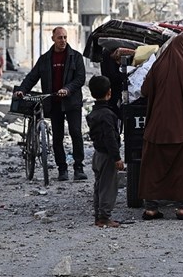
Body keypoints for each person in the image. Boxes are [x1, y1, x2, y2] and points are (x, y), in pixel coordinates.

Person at [138, 34, 183, 220]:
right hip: (182, 127)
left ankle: (151, 208)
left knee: (153, 166)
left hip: (157, 127)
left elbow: (144, 91)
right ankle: (181, 208)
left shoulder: (158, 65)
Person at [14, 27, 87, 181]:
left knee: (75, 133)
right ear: (53, 38)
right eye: (60, 37)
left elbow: (80, 79)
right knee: (57, 137)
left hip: (72, 103)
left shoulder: (76, 57)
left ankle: (79, 168)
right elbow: (32, 77)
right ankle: (62, 169)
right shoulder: (45, 59)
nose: (63, 41)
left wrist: (67, 89)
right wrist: (22, 90)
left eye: (65, 37)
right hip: (53, 103)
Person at [86, 75, 125, 228]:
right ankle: (104, 217)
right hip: (107, 156)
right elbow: (110, 138)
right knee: (108, 187)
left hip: (98, 154)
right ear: (109, 93)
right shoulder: (108, 115)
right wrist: (117, 158)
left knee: (99, 186)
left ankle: (98, 216)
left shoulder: (94, 113)